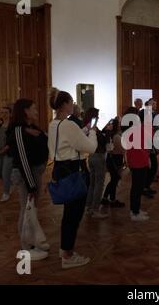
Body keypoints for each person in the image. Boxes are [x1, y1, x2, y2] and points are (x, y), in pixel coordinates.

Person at [48, 89, 98, 269]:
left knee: (69, 214)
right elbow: (90, 148)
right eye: (71, 102)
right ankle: (67, 255)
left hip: (61, 169)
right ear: (64, 104)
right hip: (74, 171)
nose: (74, 105)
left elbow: (69, 141)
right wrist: (92, 132)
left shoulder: (53, 124)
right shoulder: (68, 125)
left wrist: (83, 130)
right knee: (73, 215)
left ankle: (65, 250)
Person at [7, 99, 50, 261]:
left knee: (31, 210)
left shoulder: (31, 128)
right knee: (26, 210)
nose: (37, 111)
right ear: (25, 111)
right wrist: (31, 185)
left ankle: (31, 243)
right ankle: (25, 248)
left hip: (34, 173)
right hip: (27, 175)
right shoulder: (18, 130)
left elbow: (44, 143)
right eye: (33, 109)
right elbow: (23, 159)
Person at [126, 110, 153, 221]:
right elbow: (140, 147)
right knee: (137, 187)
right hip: (138, 162)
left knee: (138, 187)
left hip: (138, 161)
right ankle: (134, 212)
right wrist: (147, 158)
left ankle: (135, 210)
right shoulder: (138, 129)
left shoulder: (137, 129)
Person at [84, 108, 110, 219]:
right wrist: (107, 133)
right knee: (99, 184)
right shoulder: (92, 127)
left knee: (92, 183)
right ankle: (95, 209)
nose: (98, 117)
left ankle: (89, 207)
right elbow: (101, 141)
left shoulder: (88, 127)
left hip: (91, 157)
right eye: (97, 115)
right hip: (98, 157)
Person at [103, 117, 126, 208]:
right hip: (115, 159)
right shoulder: (116, 136)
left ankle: (106, 198)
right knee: (115, 179)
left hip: (113, 159)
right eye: (119, 124)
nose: (121, 125)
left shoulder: (113, 135)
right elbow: (122, 149)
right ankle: (111, 199)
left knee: (114, 179)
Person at [0, 106, 14, 202]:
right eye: (2, 112)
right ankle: (10, 184)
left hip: (9, 153)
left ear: (10, 114)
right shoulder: (0, 126)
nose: (4, 114)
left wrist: (2, 151)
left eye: (6, 112)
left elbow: (11, 142)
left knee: (5, 174)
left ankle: (6, 193)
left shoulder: (12, 126)